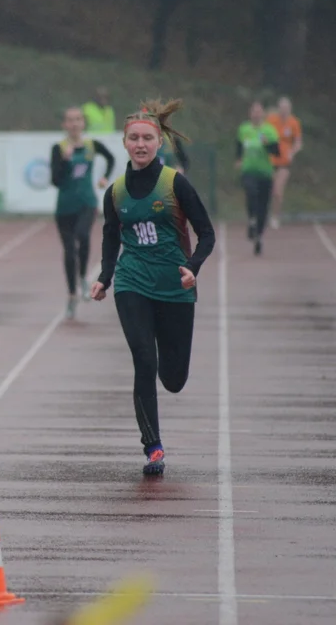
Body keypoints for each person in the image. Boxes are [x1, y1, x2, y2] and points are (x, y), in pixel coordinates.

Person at [90, 99, 215, 476]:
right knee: (144, 359)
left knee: (173, 379)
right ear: (125, 143)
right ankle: (153, 447)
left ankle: (167, 373)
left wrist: (192, 268)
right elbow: (112, 238)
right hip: (133, 283)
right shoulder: (115, 192)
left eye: (147, 138)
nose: (140, 144)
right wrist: (105, 277)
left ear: (158, 142)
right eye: (134, 139)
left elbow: (206, 234)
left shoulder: (175, 184)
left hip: (175, 286)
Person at [50, 106, 116, 319]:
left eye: (78, 119)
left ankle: (83, 277)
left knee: (83, 235)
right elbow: (55, 180)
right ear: (64, 125)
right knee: (69, 250)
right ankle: (71, 295)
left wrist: (105, 176)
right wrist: (64, 160)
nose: (74, 124)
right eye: (70, 120)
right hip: (64, 207)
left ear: (83, 124)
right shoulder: (58, 148)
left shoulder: (91, 145)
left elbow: (111, 158)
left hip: (87, 202)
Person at [236, 101, 280, 255]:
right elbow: (239, 146)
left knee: (263, 207)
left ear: (263, 114)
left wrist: (266, 143)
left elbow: (276, 152)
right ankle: (251, 220)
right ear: (250, 114)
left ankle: (258, 237)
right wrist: (239, 159)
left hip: (265, 173)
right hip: (249, 170)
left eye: (259, 111)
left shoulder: (269, 130)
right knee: (250, 193)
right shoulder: (244, 129)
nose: (256, 114)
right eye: (254, 111)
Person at [265, 96, 303, 229]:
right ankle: (264, 214)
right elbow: (263, 133)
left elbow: (298, 142)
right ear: (278, 108)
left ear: (290, 109)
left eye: (286, 108)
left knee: (278, 191)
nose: (284, 111)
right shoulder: (271, 120)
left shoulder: (294, 123)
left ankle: (275, 216)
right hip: (270, 160)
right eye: (282, 108)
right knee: (267, 189)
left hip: (284, 162)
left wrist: (292, 151)